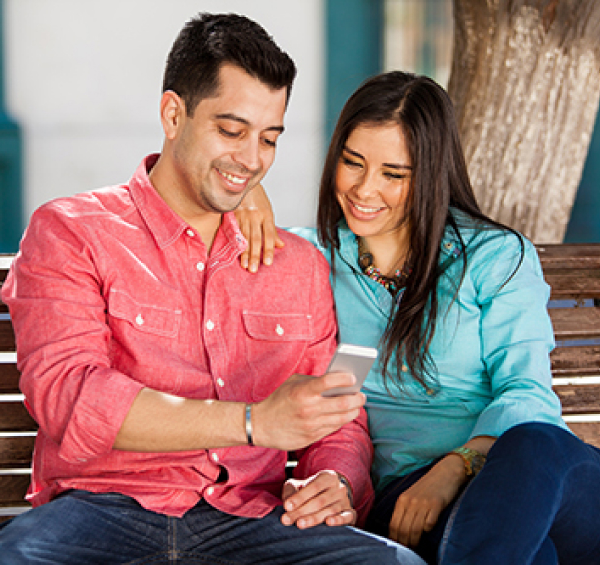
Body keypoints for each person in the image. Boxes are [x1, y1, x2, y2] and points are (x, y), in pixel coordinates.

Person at [0, 14, 425, 565]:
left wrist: (336, 478)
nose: (252, 160)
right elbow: (73, 399)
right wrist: (253, 422)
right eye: (231, 131)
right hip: (100, 513)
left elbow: (338, 416)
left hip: (254, 523)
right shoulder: (72, 232)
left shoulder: (297, 264)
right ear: (173, 113)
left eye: (269, 138)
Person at [235, 71, 600, 564]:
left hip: (526, 475)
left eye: (394, 174)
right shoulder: (312, 261)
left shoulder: (493, 258)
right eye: (352, 163)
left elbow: (526, 392)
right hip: (409, 501)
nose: (364, 189)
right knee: (536, 553)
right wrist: (248, 192)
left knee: (535, 444)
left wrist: (453, 468)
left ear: (429, 175)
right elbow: (198, 206)